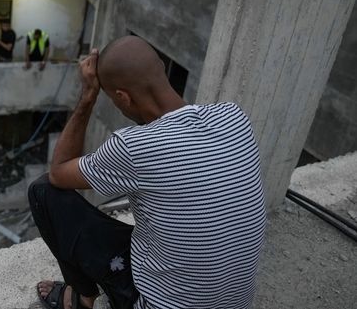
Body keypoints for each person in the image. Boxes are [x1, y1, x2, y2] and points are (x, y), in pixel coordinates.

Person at [30, 36, 266, 309]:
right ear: (162, 69)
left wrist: (87, 97)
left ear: (123, 97)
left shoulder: (134, 146)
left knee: (43, 191)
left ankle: (81, 298)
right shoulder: (233, 116)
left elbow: (58, 173)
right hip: (236, 303)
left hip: (157, 304)